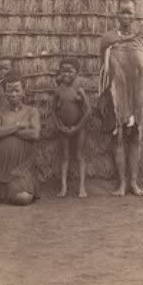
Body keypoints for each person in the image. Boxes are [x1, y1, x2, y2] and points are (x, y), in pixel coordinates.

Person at [98, 0, 143, 197]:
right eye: (122, 11)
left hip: (138, 95)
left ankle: (134, 183)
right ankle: (121, 184)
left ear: (135, 14)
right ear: (116, 13)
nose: (126, 15)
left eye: (129, 12)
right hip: (117, 96)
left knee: (136, 138)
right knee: (119, 138)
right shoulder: (108, 38)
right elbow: (104, 70)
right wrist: (106, 96)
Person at [0, 73, 41, 206]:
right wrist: (18, 126)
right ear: (5, 92)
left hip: (19, 168)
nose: (13, 94)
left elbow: (34, 134)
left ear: (23, 91)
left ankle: (5, 191)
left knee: (22, 198)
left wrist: (5, 130)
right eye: (9, 90)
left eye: (17, 90)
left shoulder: (31, 111)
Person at [52, 58, 92, 198]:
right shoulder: (58, 91)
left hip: (79, 129)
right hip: (63, 129)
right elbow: (53, 112)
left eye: (70, 71)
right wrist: (60, 127)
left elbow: (88, 111)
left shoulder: (79, 91)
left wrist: (77, 128)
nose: (66, 74)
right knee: (65, 157)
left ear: (77, 73)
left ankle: (82, 187)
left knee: (80, 156)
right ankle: (63, 187)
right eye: (63, 71)